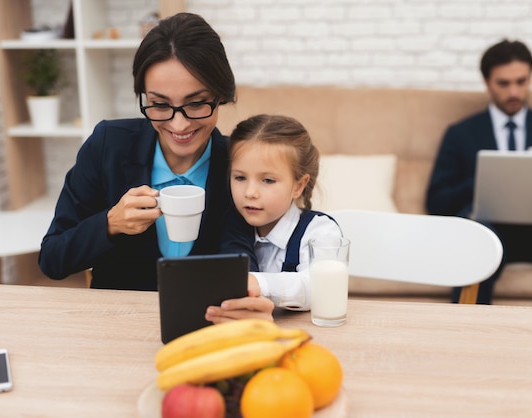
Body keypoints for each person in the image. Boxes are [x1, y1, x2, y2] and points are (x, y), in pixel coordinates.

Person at [38, 13, 274, 321]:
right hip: (114, 325)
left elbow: (242, 255)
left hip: (206, 327)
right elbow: (53, 259)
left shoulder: (237, 162)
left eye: (196, 103)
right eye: (160, 105)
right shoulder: (108, 145)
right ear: (144, 97)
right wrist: (110, 223)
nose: (179, 124)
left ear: (222, 95)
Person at [426, 39, 532, 308]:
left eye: (521, 81)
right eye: (503, 84)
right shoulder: (461, 134)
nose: (514, 91)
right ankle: (466, 336)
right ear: (487, 83)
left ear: (530, 79)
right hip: (490, 233)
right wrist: (486, 181)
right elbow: (435, 201)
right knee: (474, 239)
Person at [212, 114, 342, 313]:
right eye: (240, 177)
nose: (250, 193)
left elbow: (318, 285)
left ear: (299, 185)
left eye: (267, 180)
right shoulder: (229, 227)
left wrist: (257, 282)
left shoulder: (320, 231)